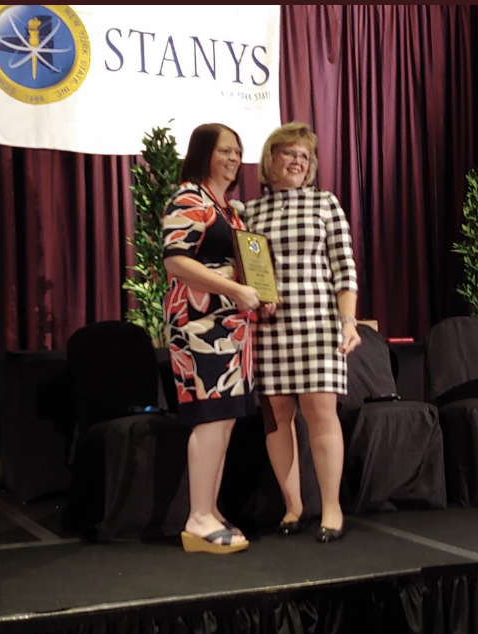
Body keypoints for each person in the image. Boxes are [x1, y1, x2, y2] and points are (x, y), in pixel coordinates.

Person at [243, 122, 360, 543]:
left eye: (304, 156)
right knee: (277, 419)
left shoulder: (325, 204)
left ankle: (331, 508)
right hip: (269, 327)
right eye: (288, 153)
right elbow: (248, 271)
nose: (296, 160)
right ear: (270, 159)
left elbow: (345, 271)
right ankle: (293, 506)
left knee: (321, 413)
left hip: (318, 323)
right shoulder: (248, 212)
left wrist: (348, 322)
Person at [162, 123, 264, 554]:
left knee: (223, 419)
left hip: (231, 328)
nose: (234, 157)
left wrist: (260, 295)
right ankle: (198, 517)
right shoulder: (189, 197)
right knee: (210, 418)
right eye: (225, 150)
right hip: (200, 324)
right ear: (204, 152)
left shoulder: (230, 209)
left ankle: (210, 509)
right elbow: (176, 262)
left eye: (238, 151)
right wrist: (236, 289)